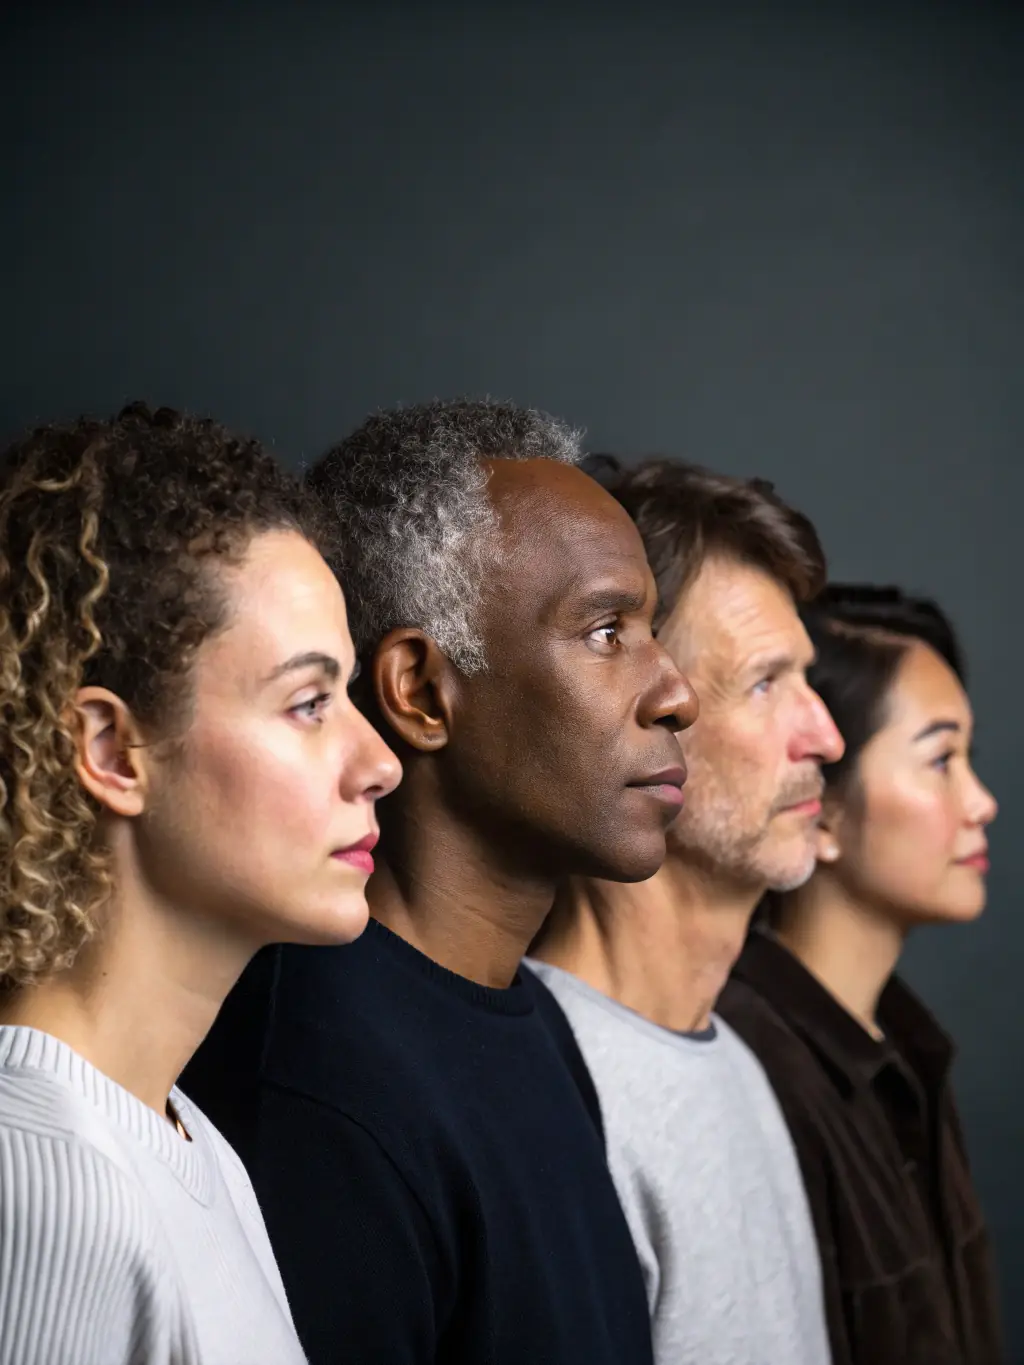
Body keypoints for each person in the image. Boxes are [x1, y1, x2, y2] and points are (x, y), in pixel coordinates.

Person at [182, 400, 696, 1365]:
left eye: (650, 627)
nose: (676, 691)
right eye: (603, 631)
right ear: (420, 691)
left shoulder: (534, 1019)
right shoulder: (315, 1092)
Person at [0, 402, 401, 1365]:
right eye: (308, 703)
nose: (377, 760)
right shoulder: (49, 1185)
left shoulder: (188, 1143)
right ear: (113, 750)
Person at [529, 456, 843, 1365]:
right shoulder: (558, 1095)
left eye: (808, 680)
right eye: (763, 683)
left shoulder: (742, 1067)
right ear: (645, 702)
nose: (825, 735)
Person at [718, 584, 1002, 1365]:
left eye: (968, 758)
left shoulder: (909, 1055)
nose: (982, 802)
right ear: (825, 807)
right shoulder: (754, 1069)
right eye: (941, 759)